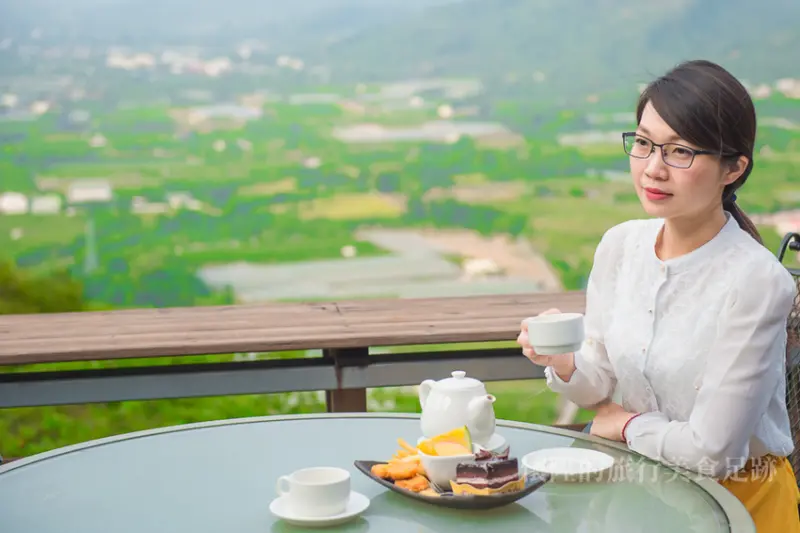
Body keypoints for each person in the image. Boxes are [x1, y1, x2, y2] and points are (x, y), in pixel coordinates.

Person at [517, 59, 800, 531]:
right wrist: (563, 361)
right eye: (644, 143)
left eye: (680, 151)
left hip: (737, 505)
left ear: (733, 168)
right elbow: (601, 381)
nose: (653, 168)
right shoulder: (621, 245)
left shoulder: (757, 281)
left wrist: (625, 425)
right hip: (636, 494)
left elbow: (715, 453)